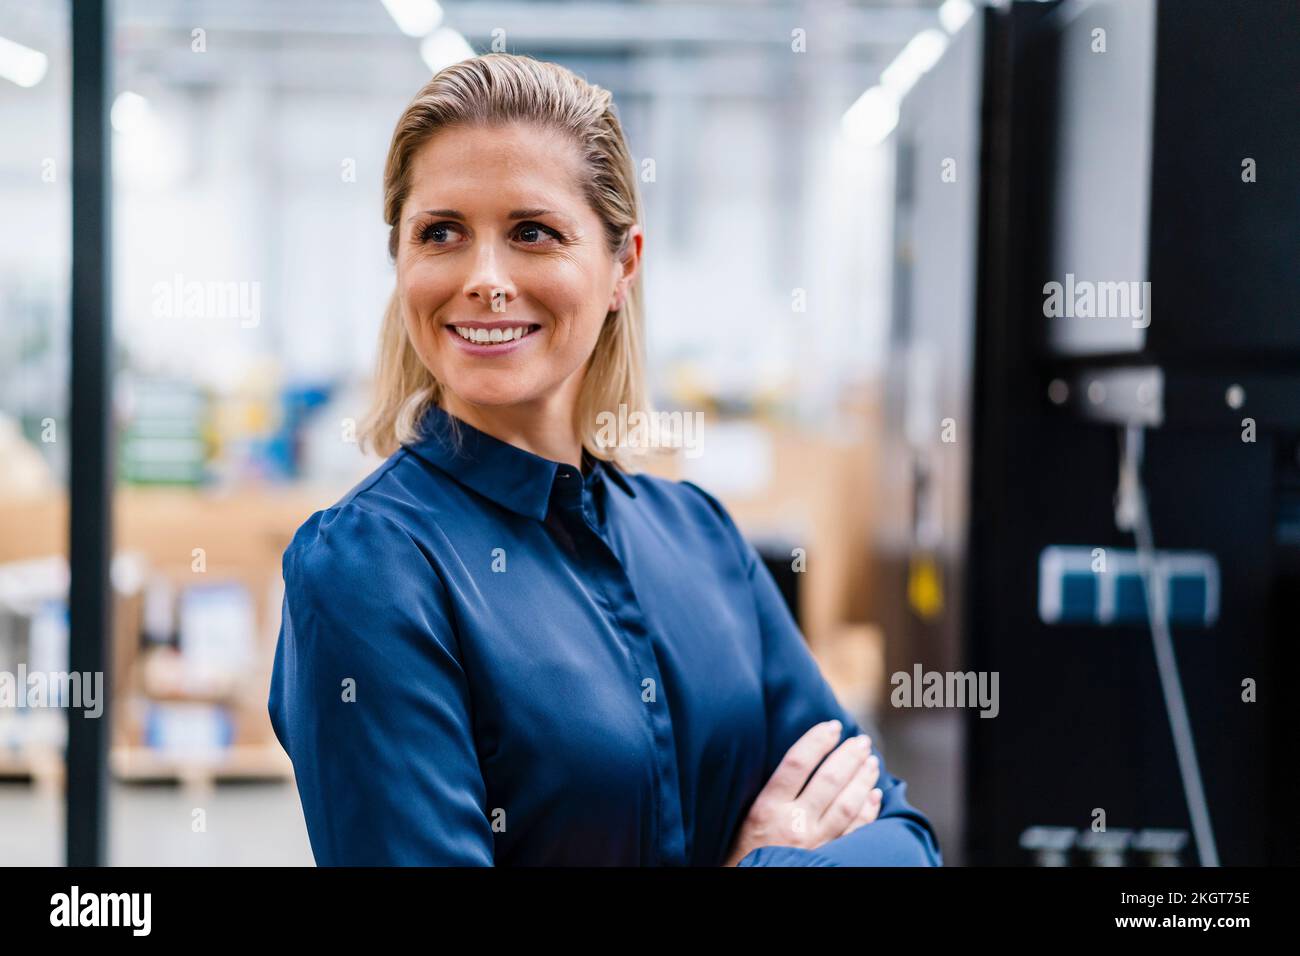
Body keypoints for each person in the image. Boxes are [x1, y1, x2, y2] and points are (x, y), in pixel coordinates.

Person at [267, 52, 942, 867]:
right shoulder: (368, 568)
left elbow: (901, 842)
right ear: (403, 260)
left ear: (622, 266)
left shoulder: (700, 536)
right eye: (440, 232)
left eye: (532, 233)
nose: (484, 279)